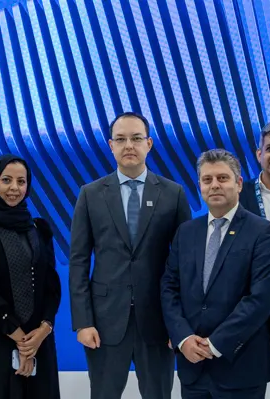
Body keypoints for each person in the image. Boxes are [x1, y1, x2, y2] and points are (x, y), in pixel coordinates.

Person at [69, 112, 191, 399]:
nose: (129, 146)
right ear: (111, 146)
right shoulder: (91, 194)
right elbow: (78, 261)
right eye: (121, 139)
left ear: (149, 143)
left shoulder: (173, 194)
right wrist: (83, 322)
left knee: (158, 394)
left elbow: (186, 263)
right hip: (104, 322)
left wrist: (181, 324)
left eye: (136, 138)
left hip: (159, 322)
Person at [161, 149, 270, 398]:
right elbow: (169, 288)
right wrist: (183, 338)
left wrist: (215, 344)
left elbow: (260, 299)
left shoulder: (262, 232)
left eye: (222, 178)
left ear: (238, 184)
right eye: (207, 180)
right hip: (192, 366)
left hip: (239, 365)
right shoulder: (186, 232)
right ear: (200, 187)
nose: (214, 185)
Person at [0, 155, 61, 398]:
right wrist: (22, 342)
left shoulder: (38, 228)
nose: (14, 188)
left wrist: (43, 330)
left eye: (21, 181)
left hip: (38, 342)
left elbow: (51, 286)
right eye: (6, 180)